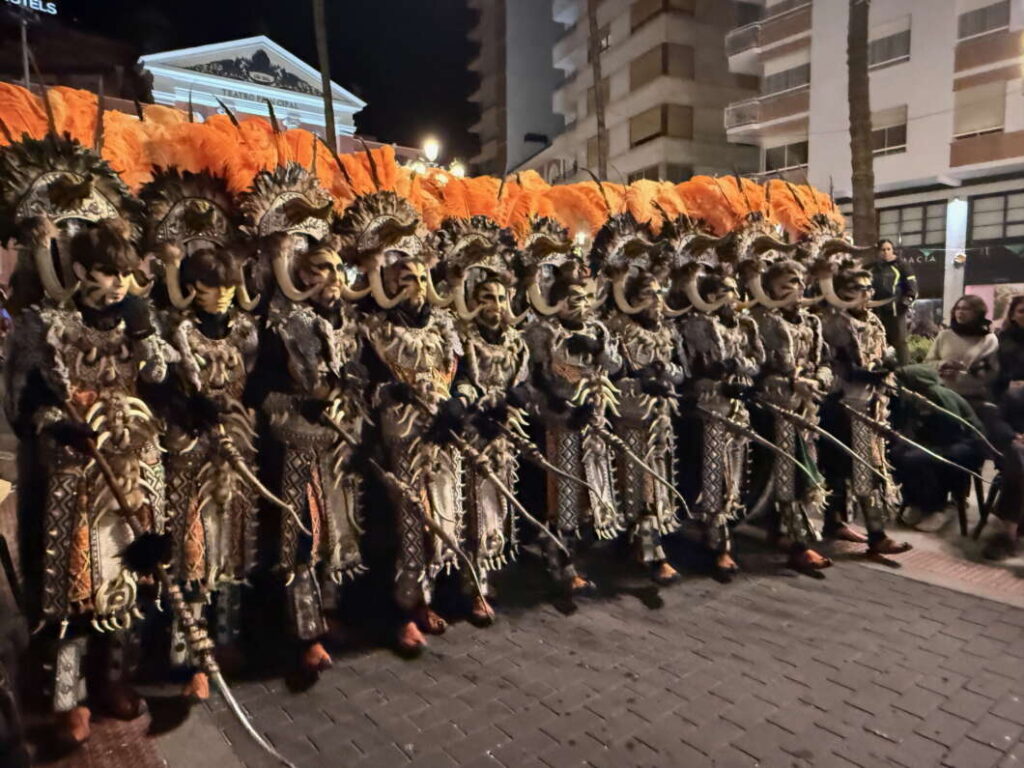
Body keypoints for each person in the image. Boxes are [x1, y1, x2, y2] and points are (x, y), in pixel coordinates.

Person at [978, 295, 1024, 559]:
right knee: (1017, 457)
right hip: (1011, 425)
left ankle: (1007, 530)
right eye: (1022, 310)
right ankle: (1007, 533)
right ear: (1014, 314)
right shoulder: (1002, 345)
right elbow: (994, 406)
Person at [924, 294, 998, 407]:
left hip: (975, 399)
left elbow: (992, 372)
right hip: (944, 395)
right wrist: (942, 364)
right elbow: (927, 364)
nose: (960, 312)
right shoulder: (945, 335)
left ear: (977, 312)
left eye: (966, 309)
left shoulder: (988, 339)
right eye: (958, 308)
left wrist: (961, 374)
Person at [868, 239, 917, 365]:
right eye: (882, 249)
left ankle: (906, 371)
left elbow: (912, 287)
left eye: (888, 249)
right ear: (878, 251)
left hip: (896, 310)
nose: (885, 252)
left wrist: (907, 301)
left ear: (893, 250)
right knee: (876, 341)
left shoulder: (901, 265)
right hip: (876, 311)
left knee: (900, 342)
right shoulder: (872, 267)